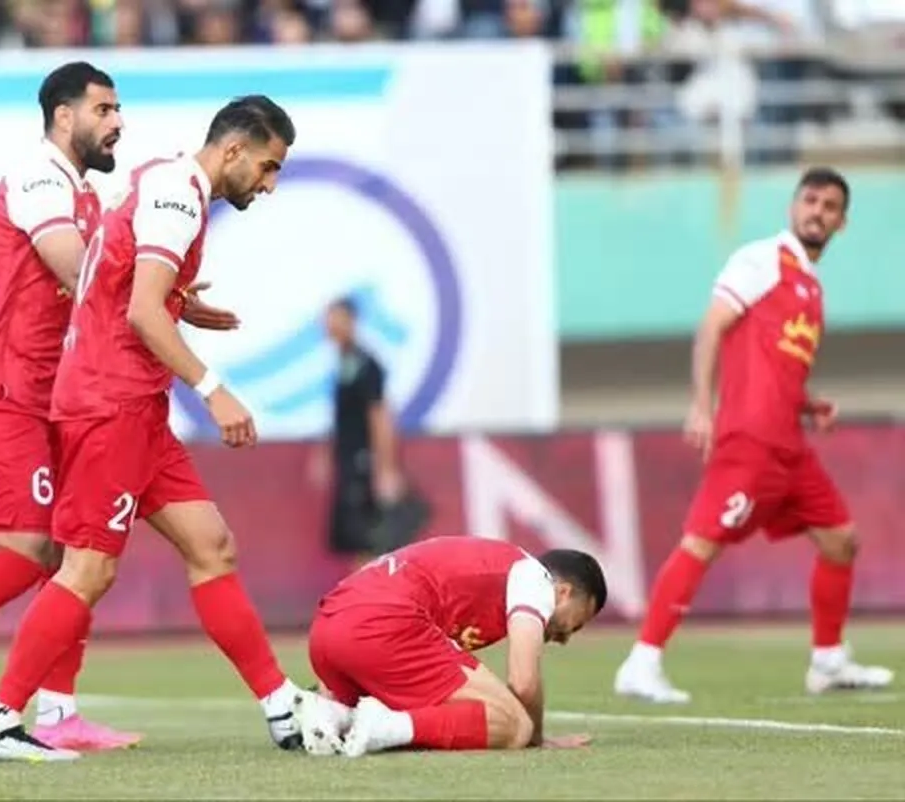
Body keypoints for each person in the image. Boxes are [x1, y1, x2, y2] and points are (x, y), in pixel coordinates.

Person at [0, 62, 237, 757]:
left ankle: (57, 713)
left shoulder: (88, 193)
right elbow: (80, 271)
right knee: (28, 549)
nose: (118, 122)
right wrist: (161, 300)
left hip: (50, 398)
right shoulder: (37, 178)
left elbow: (109, 283)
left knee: (70, 554)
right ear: (64, 116)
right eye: (104, 110)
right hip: (0, 396)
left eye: (119, 109)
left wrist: (170, 299)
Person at [0, 94, 320, 763]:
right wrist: (214, 391)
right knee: (89, 568)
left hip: (135, 405)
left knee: (211, 544)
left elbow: (127, 286)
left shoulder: (164, 179)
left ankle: (282, 709)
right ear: (234, 150)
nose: (270, 184)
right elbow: (141, 313)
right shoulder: (179, 196)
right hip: (110, 402)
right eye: (269, 167)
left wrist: (182, 302)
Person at [614, 167, 895, 704]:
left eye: (830, 206)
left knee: (841, 540)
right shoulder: (763, 259)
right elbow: (712, 327)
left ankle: (829, 662)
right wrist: (702, 405)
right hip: (751, 439)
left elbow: (773, 364)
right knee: (702, 542)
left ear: (842, 222)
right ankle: (641, 662)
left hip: (791, 445)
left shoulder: (810, 286)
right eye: (810, 200)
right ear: (794, 206)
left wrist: (809, 404)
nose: (817, 212)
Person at [295, 536, 607, 756]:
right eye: (577, 623)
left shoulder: (495, 567)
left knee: (446, 707)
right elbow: (524, 683)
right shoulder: (535, 578)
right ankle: (382, 726)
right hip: (382, 625)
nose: (566, 637)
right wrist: (535, 736)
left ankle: (335, 715)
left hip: (327, 631)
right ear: (563, 593)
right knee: (513, 725)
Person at [320, 297, 415, 569]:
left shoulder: (366, 364)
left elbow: (380, 417)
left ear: (351, 321)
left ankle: (370, 589)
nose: (330, 326)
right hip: (348, 459)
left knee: (369, 536)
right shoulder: (343, 363)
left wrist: (385, 468)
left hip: (363, 460)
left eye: (336, 319)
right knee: (355, 536)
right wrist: (326, 454)